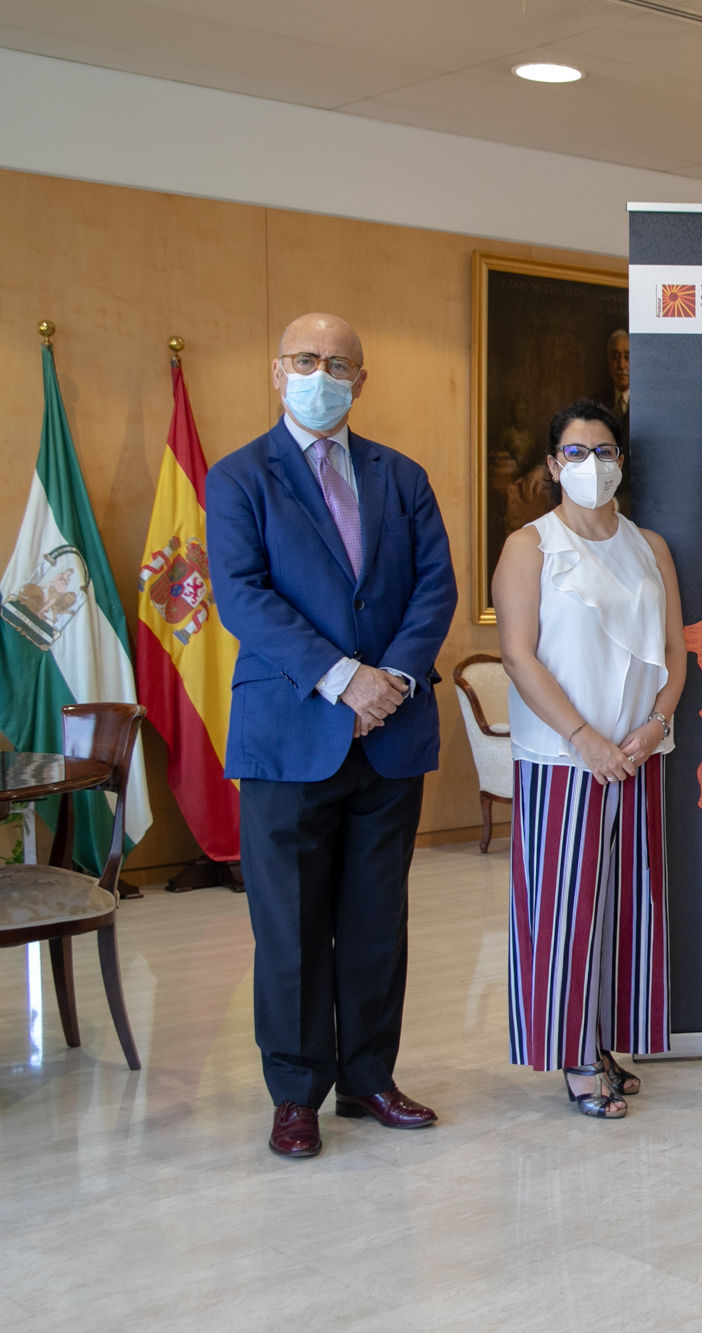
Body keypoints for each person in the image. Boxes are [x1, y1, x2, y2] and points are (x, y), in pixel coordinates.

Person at [208, 312, 457, 1159]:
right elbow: (243, 595)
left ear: (361, 380)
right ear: (277, 372)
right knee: (290, 928)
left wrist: (392, 679)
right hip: (288, 734)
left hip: (391, 732)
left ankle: (369, 1077)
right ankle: (295, 1093)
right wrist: (343, 676)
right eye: (306, 359)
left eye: (339, 363)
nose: (323, 373)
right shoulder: (239, 476)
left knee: (378, 919)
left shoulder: (403, 476)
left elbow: (435, 587)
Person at [493, 400, 685, 1119]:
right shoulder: (530, 546)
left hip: (639, 753)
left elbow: (676, 649)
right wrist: (584, 738)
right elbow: (519, 656)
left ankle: (605, 1041)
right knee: (565, 909)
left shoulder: (649, 546)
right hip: (564, 759)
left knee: (627, 908)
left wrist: (656, 723)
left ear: (621, 462)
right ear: (552, 464)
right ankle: (573, 1056)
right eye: (575, 453)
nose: (591, 464)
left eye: (604, 451)